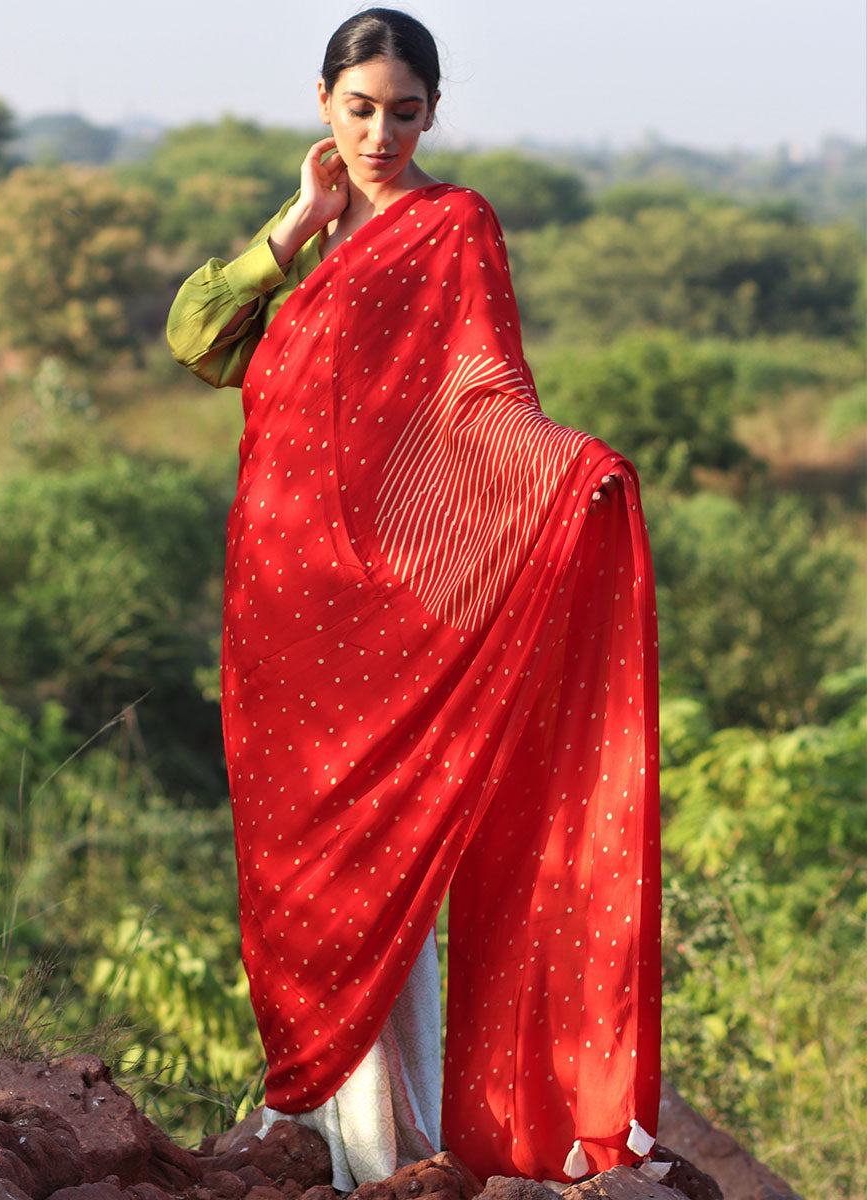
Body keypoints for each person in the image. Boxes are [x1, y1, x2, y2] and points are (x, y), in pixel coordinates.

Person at [167, 8, 661, 1189]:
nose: (381, 131)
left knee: (387, 873)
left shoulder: (454, 230)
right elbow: (197, 339)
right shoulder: (320, 248)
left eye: (403, 110)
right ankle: (354, 1145)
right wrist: (299, 222)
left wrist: (568, 474)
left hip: (388, 613)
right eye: (360, 108)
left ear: (434, 111)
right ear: (324, 108)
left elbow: (480, 397)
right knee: (305, 880)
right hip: (283, 609)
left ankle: (400, 1159)